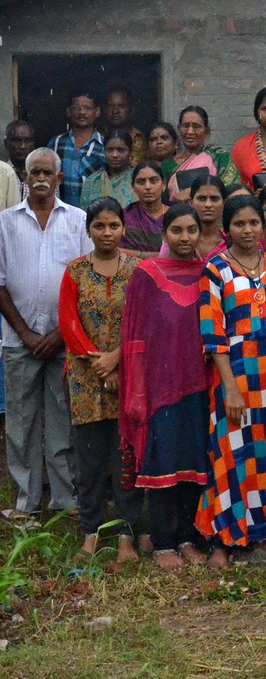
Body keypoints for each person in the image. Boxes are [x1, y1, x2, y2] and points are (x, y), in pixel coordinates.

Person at [197, 195, 266, 568]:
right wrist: (231, 388)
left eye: (253, 222)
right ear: (228, 229)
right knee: (231, 451)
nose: (248, 230)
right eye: (239, 224)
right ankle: (227, 534)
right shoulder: (216, 269)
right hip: (235, 372)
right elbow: (213, 335)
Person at [0, 148, 92, 519]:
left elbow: (85, 282)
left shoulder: (78, 220)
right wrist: (25, 334)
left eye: (47, 172)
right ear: (25, 177)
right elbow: (0, 284)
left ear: (58, 179)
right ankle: (26, 502)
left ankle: (65, 500)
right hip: (18, 340)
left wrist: (58, 333)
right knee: (21, 424)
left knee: (62, 421)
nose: (40, 177)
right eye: (33, 171)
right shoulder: (5, 223)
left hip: (63, 341)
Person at [119, 204, 211, 571]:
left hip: (199, 382)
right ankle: (162, 542)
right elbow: (135, 336)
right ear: (164, 234)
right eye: (177, 231)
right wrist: (138, 390)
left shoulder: (208, 272)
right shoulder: (146, 273)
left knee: (193, 460)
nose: (185, 238)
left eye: (192, 230)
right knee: (162, 461)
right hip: (159, 386)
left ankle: (187, 537)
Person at [59, 197, 143, 560]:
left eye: (113, 225)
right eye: (99, 226)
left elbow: (143, 322)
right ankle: (90, 532)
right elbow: (68, 322)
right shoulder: (74, 272)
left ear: (123, 228)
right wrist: (99, 364)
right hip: (85, 379)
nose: (107, 233)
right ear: (88, 229)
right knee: (90, 460)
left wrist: (117, 360)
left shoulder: (139, 271)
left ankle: (126, 532)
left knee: (126, 457)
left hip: (130, 376)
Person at [162, 105, 239, 203]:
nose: (190, 132)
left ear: (206, 131)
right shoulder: (168, 164)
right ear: (179, 129)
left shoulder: (219, 157)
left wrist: (193, 194)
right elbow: (163, 200)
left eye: (196, 127)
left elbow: (231, 190)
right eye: (185, 126)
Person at [47, 90, 106, 206]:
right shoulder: (57, 143)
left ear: (97, 112)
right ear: (68, 111)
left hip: (92, 215)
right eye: (76, 108)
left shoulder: (104, 145)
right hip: (60, 213)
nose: (81, 112)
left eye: (87, 108)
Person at [121, 161, 169, 257]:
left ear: (163, 184)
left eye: (153, 180)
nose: (148, 187)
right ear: (133, 187)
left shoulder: (177, 215)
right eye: (141, 182)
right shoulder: (125, 216)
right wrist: (152, 256)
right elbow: (116, 251)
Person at [80, 130, 136, 210]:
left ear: (131, 152)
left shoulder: (138, 179)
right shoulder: (92, 181)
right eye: (110, 150)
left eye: (121, 150)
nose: (114, 155)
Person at [104, 86, 148, 165]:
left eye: (121, 106)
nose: (115, 111)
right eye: (110, 106)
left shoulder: (139, 138)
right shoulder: (98, 135)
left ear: (131, 110)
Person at [3, 120, 35, 204]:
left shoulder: (44, 176)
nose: (23, 146)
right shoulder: (2, 174)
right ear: (6, 144)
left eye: (28, 141)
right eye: (17, 140)